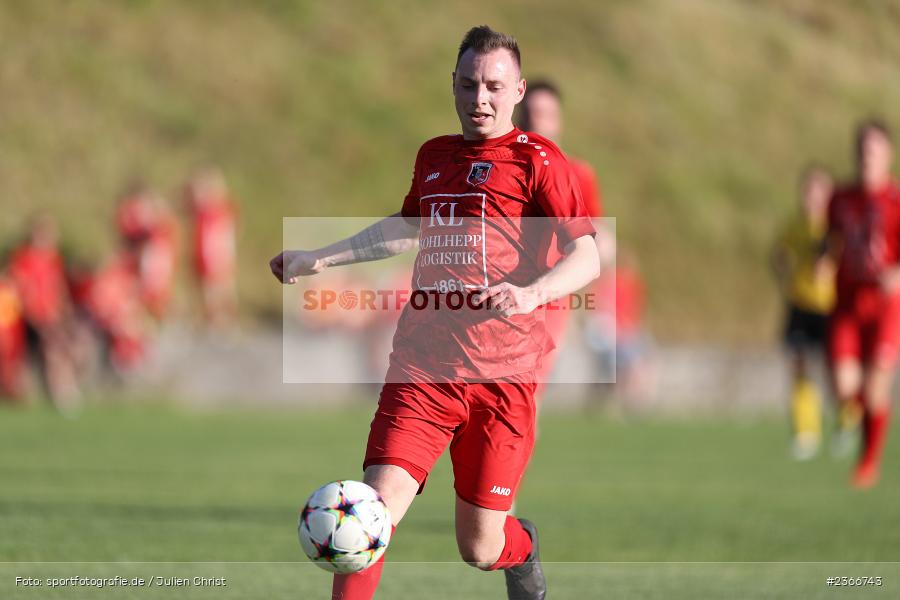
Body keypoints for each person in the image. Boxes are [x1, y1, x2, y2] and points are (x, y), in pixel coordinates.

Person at [271, 25, 599, 600]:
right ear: (453, 84)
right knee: (366, 515)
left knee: (481, 548)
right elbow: (405, 227)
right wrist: (320, 258)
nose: (481, 99)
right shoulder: (434, 155)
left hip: (503, 379)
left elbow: (587, 255)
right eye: (469, 84)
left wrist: (532, 293)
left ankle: (523, 550)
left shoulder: (540, 162)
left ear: (517, 91)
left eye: (494, 87)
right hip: (423, 369)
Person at [514, 81, 604, 387]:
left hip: (550, 295)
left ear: (559, 120)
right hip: (500, 287)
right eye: (530, 113)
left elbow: (594, 240)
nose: (537, 121)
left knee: (529, 387)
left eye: (546, 114)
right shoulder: (504, 170)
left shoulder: (578, 174)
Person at [827, 120, 900, 488]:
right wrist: (823, 258)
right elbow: (831, 239)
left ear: (888, 154)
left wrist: (896, 274)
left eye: (873, 149)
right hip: (848, 303)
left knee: (876, 387)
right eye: (861, 149)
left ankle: (868, 464)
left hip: (886, 306)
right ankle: (860, 421)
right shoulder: (840, 198)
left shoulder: (897, 200)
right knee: (844, 387)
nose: (865, 156)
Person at [771, 166, 837, 459]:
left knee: (836, 371)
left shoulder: (835, 226)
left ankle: (848, 421)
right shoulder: (794, 224)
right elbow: (779, 254)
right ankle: (805, 432)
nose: (812, 196)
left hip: (831, 307)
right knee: (799, 366)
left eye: (818, 190)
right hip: (799, 305)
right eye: (808, 190)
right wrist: (781, 264)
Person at [8, 215, 81, 410]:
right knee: (37, 356)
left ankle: (62, 392)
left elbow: (58, 288)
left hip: (51, 316)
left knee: (59, 352)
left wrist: (64, 311)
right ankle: (46, 394)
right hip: (31, 318)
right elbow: (20, 288)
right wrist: (33, 314)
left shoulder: (52, 259)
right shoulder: (23, 258)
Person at [185, 168, 238, 328]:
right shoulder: (200, 211)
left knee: (220, 288)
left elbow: (228, 232)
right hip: (202, 253)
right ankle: (211, 321)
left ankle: (225, 320)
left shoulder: (222, 209)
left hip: (217, 254)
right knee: (205, 289)